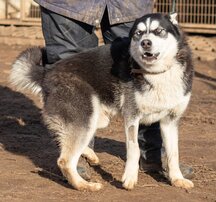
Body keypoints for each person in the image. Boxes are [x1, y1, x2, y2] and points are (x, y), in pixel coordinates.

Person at [34, 0, 193, 180]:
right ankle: (76, 153)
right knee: (71, 65)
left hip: (128, 5)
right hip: (67, 5)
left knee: (145, 60)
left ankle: (154, 153)